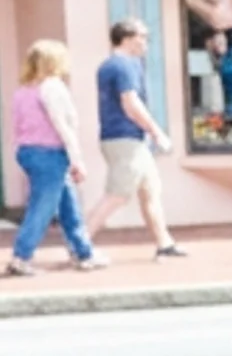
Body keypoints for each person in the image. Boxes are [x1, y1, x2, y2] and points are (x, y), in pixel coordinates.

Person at [87, 19, 180, 257]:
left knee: (150, 191)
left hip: (129, 138)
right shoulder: (122, 66)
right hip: (124, 138)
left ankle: (164, 243)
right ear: (127, 39)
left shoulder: (121, 65)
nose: (146, 41)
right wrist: (156, 132)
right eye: (142, 36)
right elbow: (131, 103)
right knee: (118, 194)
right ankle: (81, 243)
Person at [8, 41, 100, 276]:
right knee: (43, 206)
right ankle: (21, 256)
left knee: (68, 203)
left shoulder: (23, 91)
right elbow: (63, 125)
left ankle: (83, 252)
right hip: (50, 152)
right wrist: (77, 158)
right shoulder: (53, 87)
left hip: (28, 150)